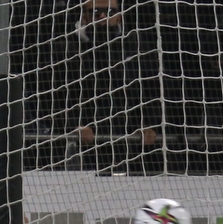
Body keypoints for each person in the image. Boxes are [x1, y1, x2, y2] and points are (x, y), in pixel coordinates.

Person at [38, 0, 162, 173]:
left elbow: (150, 90)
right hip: (77, 143)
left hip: (127, 141)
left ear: (119, 16)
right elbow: (48, 96)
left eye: (110, 11)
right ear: (84, 16)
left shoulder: (137, 47)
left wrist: (149, 124)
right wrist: (72, 125)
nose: (103, 16)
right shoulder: (63, 48)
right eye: (96, 11)